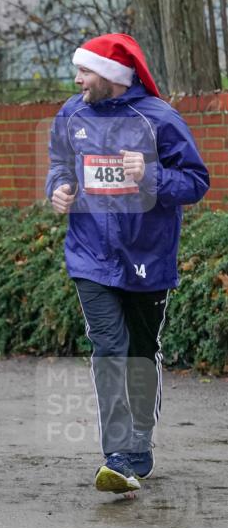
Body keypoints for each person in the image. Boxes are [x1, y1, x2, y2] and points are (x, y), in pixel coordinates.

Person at [46, 33, 210, 494]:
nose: (77, 79)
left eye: (85, 71)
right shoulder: (71, 114)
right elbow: (60, 162)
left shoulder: (160, 118)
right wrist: (57, 188)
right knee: (108, 349)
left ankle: (139, 445)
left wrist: (151, 173)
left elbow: (197, 182)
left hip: (148, 257)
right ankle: (117, 455)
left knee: (139, 350)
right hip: (90, 255)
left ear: (113, 76)